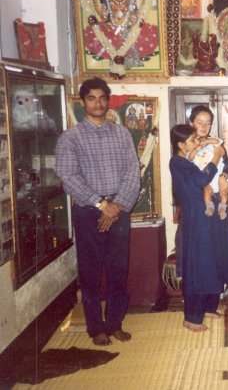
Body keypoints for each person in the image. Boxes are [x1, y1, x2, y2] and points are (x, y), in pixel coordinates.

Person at [56, 77, 140, 346]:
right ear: (83, 103)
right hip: (88, 212)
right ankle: (97, 329)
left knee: (118, 271)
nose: (98, 103)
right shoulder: (70, 138)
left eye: (102, 97)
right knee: (90, 273)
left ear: (108, 100)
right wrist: (101, 204)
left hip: (119, 209)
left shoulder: (122, 134)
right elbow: (68, 176)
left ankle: (114, 323)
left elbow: (132, 173)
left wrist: (115, 207)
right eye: (91, 98)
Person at [169, 124, 228, 332]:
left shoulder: (188, 159)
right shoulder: (177, 162)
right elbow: (203, 178)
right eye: (193, 140)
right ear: (180, 144)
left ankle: (209, 307)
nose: (198, 142)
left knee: (213, 261)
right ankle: (192, 317)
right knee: (198, 266)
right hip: (196, 219)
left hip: (207, 216)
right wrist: (216, 156)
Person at [187, 105, 228, 298]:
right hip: (200, 201)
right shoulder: (188, 145)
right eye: (199, 122)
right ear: (191, 122)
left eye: (208, 123)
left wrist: (223, 176)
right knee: (205, 250)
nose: (203, 126)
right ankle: (205, 294)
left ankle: (220, 290)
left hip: (219, 199)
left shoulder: (216, 144)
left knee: (221, 247)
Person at [190, 134, 228, 219]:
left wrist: (208, 141)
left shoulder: (212, 146)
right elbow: (190, 157)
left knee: (224, 194)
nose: (202, 142)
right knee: (207, 190)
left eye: (204, 140)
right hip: (208, 177)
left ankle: (222, 208)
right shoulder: (196, 152)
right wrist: (197, 148)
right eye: (199, 140)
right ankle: (209, 207)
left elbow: (218, 141)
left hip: (218, 174)